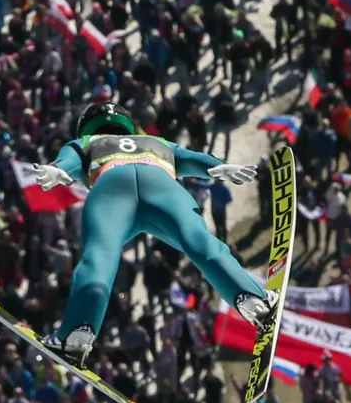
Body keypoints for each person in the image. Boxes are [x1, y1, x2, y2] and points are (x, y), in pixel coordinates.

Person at [30, 102, 277, 363]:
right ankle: (251, 298)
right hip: (161, 186)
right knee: (199, 243)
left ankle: (77, 334)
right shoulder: (155, 141)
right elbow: (190, 158)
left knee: (99, 258)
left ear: (86, 128)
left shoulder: (86, 142)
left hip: (112, 188)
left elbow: (67, 162)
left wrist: (57, 170)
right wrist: (219, 167)